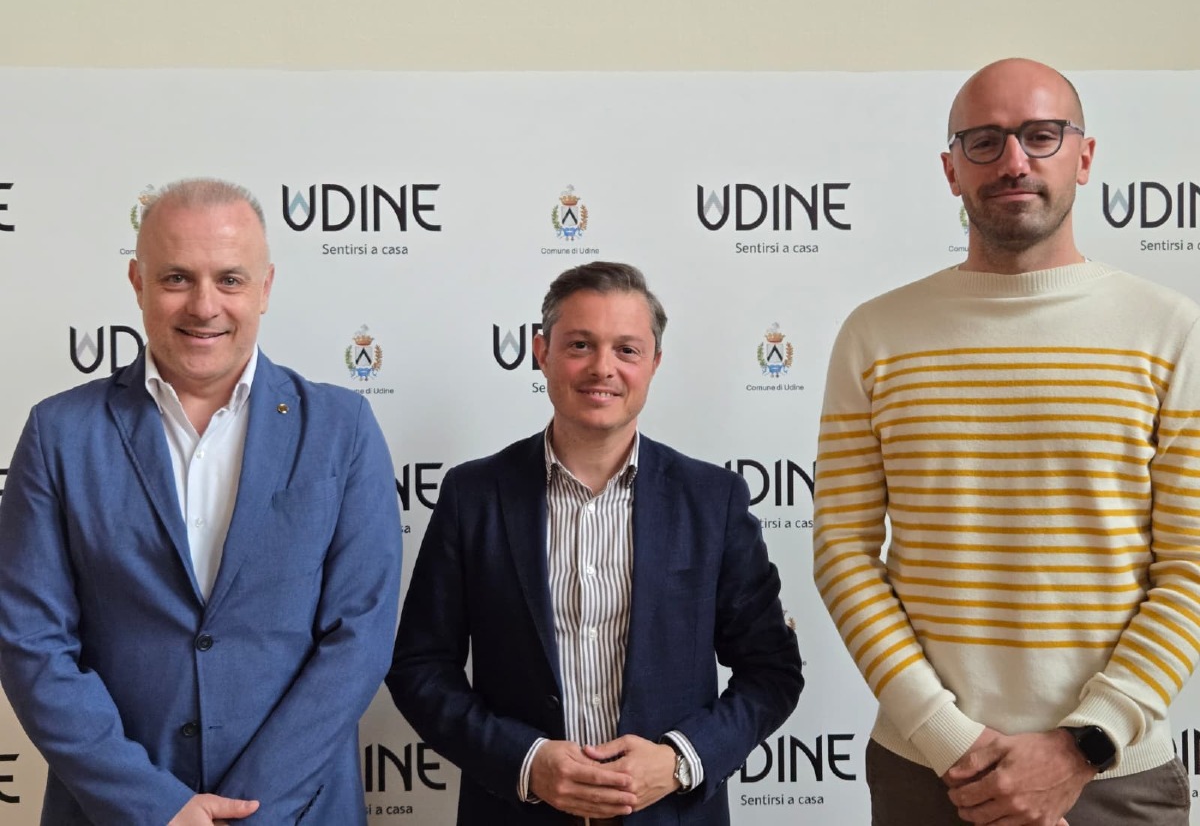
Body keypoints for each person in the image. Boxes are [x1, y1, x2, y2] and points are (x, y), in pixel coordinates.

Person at [813, 57, 1200, 826]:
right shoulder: (875, 334)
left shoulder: (1170, 331)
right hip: (931, 773)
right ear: (951, 169)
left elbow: (1191, 565)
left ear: (1084, 156)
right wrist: (948, 738)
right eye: (984, 141)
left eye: (1041, 135)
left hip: (1113, 775)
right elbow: (842, 551)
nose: (1014, 160)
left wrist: (1082, 745)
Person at [0, 178, 403, 825]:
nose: (204, 305)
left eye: (230, 279)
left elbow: (360, 638)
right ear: (137, 282)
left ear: (265, 287)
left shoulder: (342, 429)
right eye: (177, 278)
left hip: (296, 813)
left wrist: (249, 810)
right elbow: (31, 644)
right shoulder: (60, 433)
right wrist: (156, 807)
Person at [387, 261, 802, 825]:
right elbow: (419, 667)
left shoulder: (713, 501)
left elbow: (772, 672)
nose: (602, 368)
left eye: (626, 350)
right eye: (580, 345)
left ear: (654, 363)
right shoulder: (473, 495)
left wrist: (680, 760)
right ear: (542, 352)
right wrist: (526, 762)